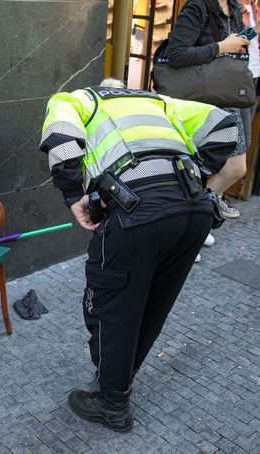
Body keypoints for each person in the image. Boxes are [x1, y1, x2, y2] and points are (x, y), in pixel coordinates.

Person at [39, 78, 238, 432]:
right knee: (152, 303)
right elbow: (225, 125)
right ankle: (121, 376)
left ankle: (112, 403)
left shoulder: (79, 99)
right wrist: (194, 172)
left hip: (138, 214)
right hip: (194, 211)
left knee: (111, 307)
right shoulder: (158, 102)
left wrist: (74, 197)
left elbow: (60, 138)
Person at [168, 0, 249, 219]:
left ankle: (199, 214)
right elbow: (176, 54)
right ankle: (194, 222)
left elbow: (233, 45)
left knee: (236, 168)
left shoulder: (233, 7)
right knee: (193, 170)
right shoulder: (198, 6)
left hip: (224, 94)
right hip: (199, 101)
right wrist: (221, 47)